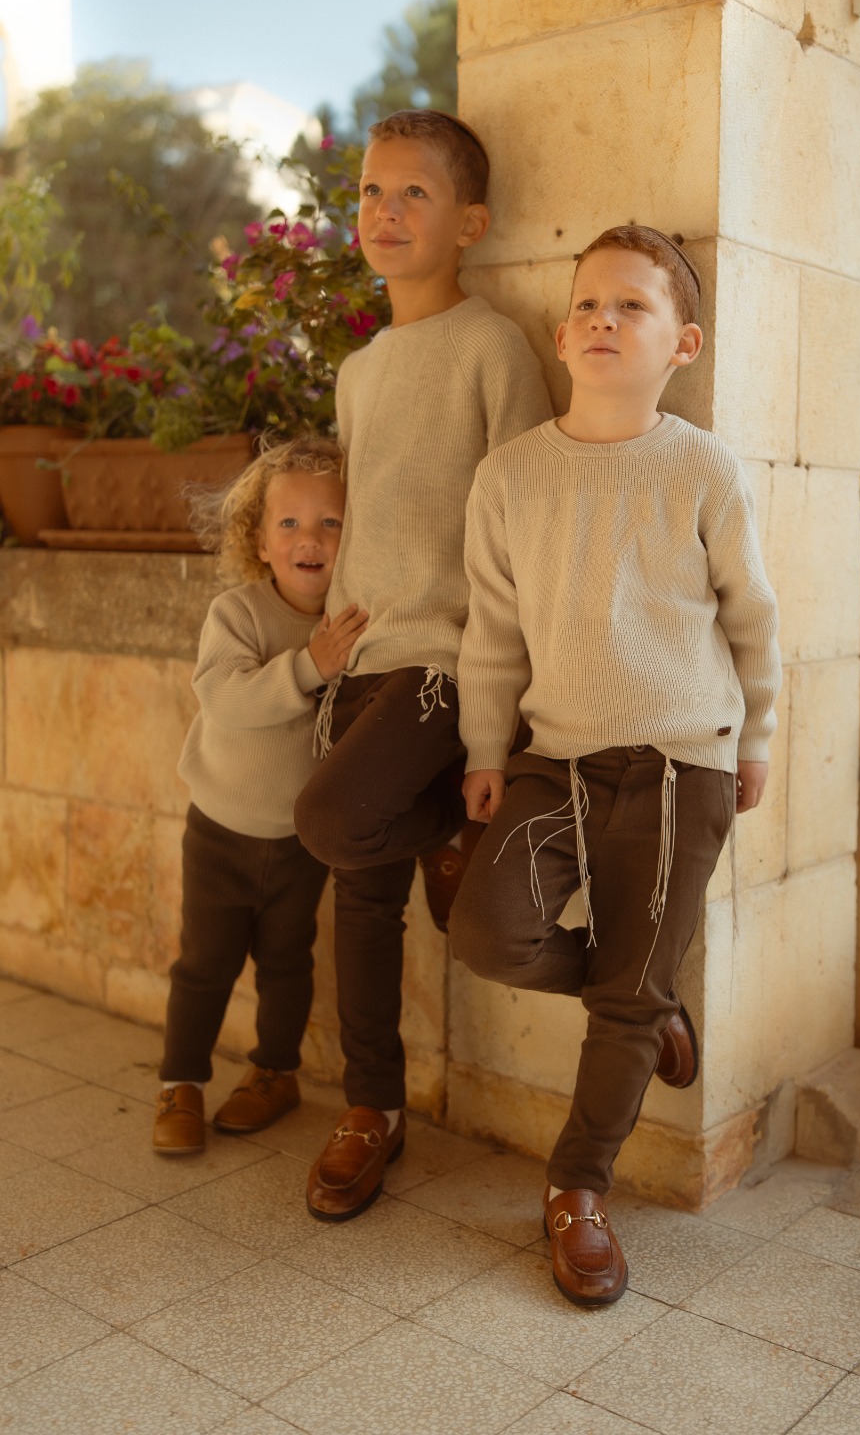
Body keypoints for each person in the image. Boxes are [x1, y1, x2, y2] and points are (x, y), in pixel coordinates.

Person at [450, 225, 782, 1306]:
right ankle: (643, 997)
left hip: (685, 763)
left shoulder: (702, 466)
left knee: (627, 999)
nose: (603, 319)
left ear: (682, 344)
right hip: (557, 757)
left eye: (631, 305)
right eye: (588, 303)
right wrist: (485, 748)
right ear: (560, 335)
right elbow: (491, 632)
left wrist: (757, 737)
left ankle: (577, 1189)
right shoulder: (509, 476)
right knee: (489, 929)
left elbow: (753, 618)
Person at [293, 108, 554, 1221]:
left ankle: (450, 828)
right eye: (369, 191)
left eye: (414, 194)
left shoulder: (493, 347)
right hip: (362, 660)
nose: (384, 212)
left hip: (444, 664)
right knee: (359, 895)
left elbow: (527, 521)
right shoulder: (359, 370)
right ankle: (373, 1109)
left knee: (328, 819)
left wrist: (508, 690)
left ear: (470, 224)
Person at [152, 437, 365, 1156]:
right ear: (260, 541)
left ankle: (275, 1073)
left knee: (286, 963)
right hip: (220, 829)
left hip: (299, 841)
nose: (310, 539)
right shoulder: (238, 613)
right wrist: (309, 666)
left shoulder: (352, 623)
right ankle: (181, 1082)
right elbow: (225, 698)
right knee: (204, 964)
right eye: (290, 523)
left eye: (331, 522)